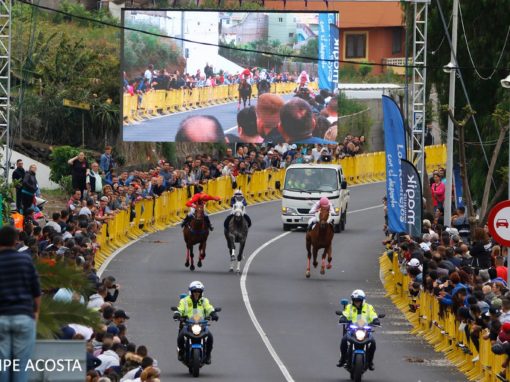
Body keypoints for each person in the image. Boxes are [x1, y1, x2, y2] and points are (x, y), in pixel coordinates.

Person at [0, 225, 41, 382]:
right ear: (16, 241)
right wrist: (35, 315)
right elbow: (36, 292)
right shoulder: (25, 260)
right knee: (21, 365)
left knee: (2, 365)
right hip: (24, 317)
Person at [173, 281, 218, 364]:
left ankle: (208, 355)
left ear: (201, 293)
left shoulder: (204, 301)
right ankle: (181, 352)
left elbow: (209, 307)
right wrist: (177, 314)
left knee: (210, 337)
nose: (196, 293)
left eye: (198, 292)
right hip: (188, 324)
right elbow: (180, 308)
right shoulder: (185, 301)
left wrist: (213, 313)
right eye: (195, 291)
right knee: (181, 336)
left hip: (201, 324)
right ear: (191, 292)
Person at [337, 289, 379, 370]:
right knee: (344, 340)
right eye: (355, 300)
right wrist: (343, 318)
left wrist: (376, 320)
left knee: (373, 343)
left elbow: (373, 315)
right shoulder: (349, 307)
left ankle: (370, 362)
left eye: (358, 300)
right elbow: (345, 314)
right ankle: (342, 359)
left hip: (365, 330)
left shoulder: (368, 307)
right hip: (352, 330)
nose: (356, 302)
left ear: (363, 300)